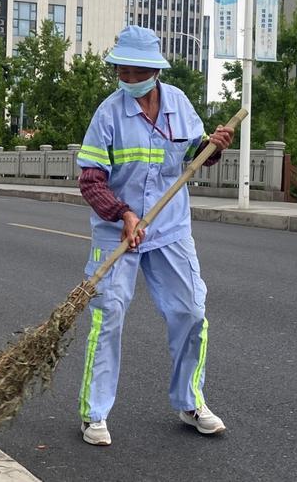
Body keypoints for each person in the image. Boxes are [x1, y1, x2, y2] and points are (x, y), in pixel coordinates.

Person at [76, 25, 235, 446]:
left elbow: (195, 154)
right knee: (107, 316)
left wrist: (215, 146)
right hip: (117, 230)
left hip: (169, 229)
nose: (127, 79)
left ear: (153, 70)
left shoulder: (179, 104)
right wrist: (123, 213)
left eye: (133, 71)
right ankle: (94, 414)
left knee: (192, 312)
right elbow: (90, 180)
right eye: (121, 72)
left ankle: (190, 401)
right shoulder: (107, 114)